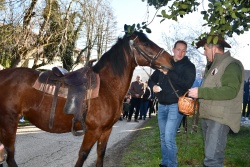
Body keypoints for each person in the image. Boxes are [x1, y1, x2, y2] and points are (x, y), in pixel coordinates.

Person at [188, 34, 244, 167]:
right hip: (210, 116)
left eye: (205, 49)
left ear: (213, 48)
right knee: (211, 157)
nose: (204, 53)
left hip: (220, 119)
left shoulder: (231, 64)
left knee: (213, 160)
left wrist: (200, 92)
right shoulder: (213, 66)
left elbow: (230, 91)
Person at [148, 40, 196, 167]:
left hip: (176, 106)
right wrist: (153, 86)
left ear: (186, 52)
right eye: (178, 49)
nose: (180, 53)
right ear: (173, 49)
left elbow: (186, 84)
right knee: (163, 137)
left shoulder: (189, 66)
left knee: (169, 138)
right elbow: (151, 79)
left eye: (183, 50)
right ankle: (165, 163)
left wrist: (169, 72)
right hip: (162, 105)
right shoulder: (165, 62)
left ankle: (173, 164)